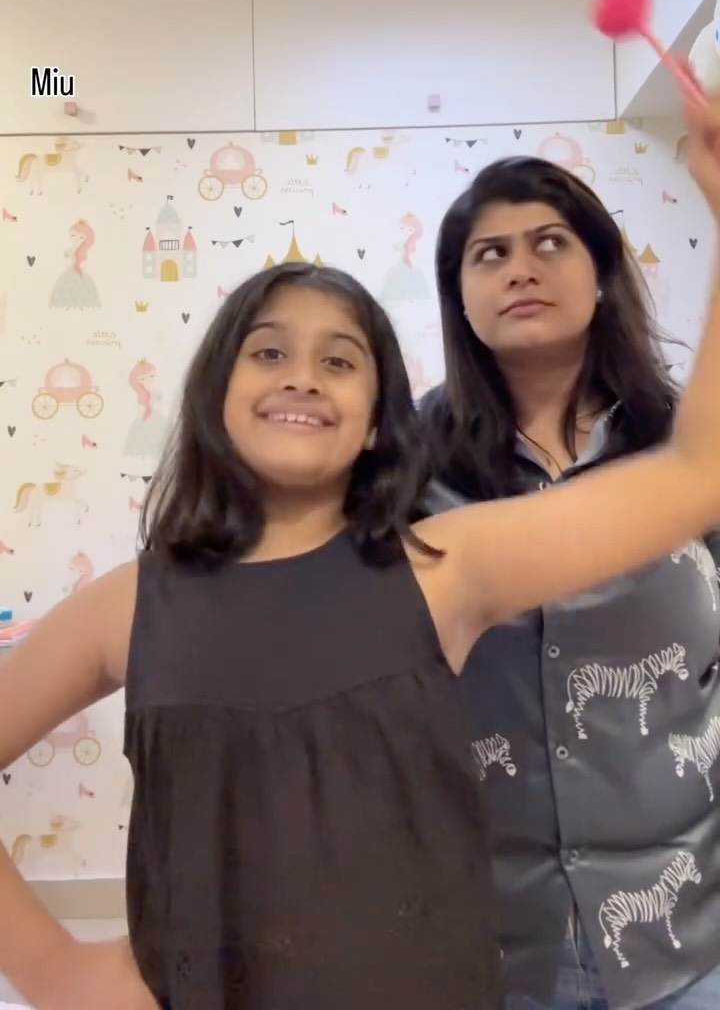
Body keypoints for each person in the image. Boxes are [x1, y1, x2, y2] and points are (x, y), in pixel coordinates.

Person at [0, 98, 719, 1010]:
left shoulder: (442, 564)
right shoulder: (134, 603)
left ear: (381, 418)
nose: (302, 377)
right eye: (269, 353)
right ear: (216, 388)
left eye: (340, 361)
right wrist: (55, 971)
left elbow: (696, 472)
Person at [419, 119, 720, 1010]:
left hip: (690, 933)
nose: (521, 268)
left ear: (600, 274)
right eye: (490, 254)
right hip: (489, 944)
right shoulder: (401, 471)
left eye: (550, 242)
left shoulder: (686, 456)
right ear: (459, 296)